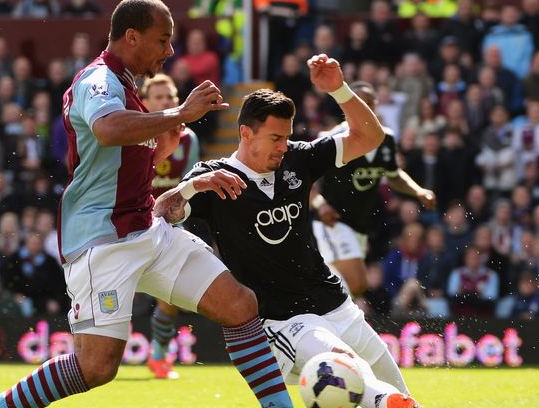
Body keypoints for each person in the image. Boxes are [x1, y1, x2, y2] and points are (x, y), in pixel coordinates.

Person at [0, 0, 293, 408]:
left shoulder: (127, 87)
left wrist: (162, 154)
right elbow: (106, 130)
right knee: (96, 368)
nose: (170, 50)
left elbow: (117, 162)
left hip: (147, 230)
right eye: (163, 40)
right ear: (132, 36)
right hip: (101, 240)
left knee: (239, 304)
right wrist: (178, 114)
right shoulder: (98, 79)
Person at [154, 55, 420, 408]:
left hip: (336, 303)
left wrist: (338, 90)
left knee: (398, 392)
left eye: (286, 137)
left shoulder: (298, 158)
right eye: (275, 138)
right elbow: (162, 212)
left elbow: (369, 137)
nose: (283, 146)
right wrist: (191, 187)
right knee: (348, 371)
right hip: (283, 319)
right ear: (246, 133)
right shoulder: (212, 177)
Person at [312, 82, 435, 296]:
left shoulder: (386, 138)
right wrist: (320, 205)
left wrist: (418, 191)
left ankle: (324, 318)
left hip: (361, 225)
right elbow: (306, 179)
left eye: (369, 103)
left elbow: (394, 176)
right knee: (356, 283)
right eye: (358, 103)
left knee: (351, 289)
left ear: (376, 106)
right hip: (333, 220)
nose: (364, 108)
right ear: (346, 107)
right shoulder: (331, 138)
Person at [137, 74, 201, 379]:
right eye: (159, 97)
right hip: (131, 223)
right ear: (146, 103)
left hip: (168, 225)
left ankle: (159, 356)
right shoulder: (134, 133)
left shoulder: (188, 139)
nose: (166, 102)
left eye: (170, 97)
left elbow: (189, 186)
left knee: (170, 297)